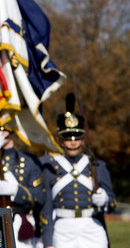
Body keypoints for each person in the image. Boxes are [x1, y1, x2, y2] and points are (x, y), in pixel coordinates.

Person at [40, 93, 115, 248]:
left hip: (92, 227)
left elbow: (112, 204)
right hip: (62, 228)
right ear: (60, 141)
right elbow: (46, 208)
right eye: (68, 138)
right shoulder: (50, 167)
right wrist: (47, 241)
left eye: (76, 138)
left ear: (82, 140)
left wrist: (105, 200)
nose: (72, 143)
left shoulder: (97, 166)